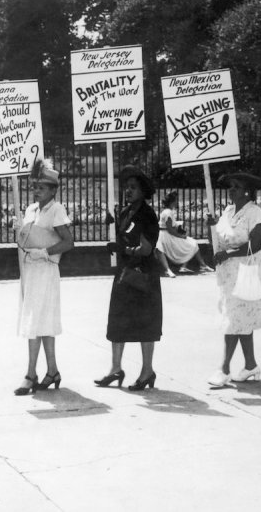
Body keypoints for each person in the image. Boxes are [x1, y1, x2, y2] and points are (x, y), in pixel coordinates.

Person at [96, 165, 162, 391]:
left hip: (142, 276)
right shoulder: (124, 212)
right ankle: (115, 368)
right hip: (124, 274)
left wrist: (125, 250)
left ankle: (147, 371)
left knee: (145, 323)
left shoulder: (147, 214)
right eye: (126, 187)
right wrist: (113, 233)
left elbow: (145, 249)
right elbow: (124, 240)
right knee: (118, 320)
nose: (128, 190)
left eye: (133, 187)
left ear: (144, 190)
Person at [13, 160, 74, 395]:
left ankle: (30, 374)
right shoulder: (31, 209)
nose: (36, 191)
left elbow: (68, 242)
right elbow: (26, 239)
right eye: (35, 186)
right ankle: (52, 371)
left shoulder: (56, 210)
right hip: (30, 270)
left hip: (46, 269)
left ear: (52, 190)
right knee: (41, 321)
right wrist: (19, 230)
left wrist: (45, 252)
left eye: (41, 187)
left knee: (35, 321)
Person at [206, 172, 261, 387]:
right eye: (230, 186)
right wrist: (211, 227)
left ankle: (223, 368)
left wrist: (229, 254)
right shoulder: (228, 211)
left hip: (247, 270)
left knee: (234, 319)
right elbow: (218, 241)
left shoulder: (255, 213)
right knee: (240, 318)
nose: (231, 190)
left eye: (236, 186)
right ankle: (250, 365)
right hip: (228, 273)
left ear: (246, 190)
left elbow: (257, 243)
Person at [155, 190, 213, 277]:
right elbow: (170, 229)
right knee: (192, 243)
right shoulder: (168, 212)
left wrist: (178, 227)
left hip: (165, 235)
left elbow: (169, 226)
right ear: (173, 201)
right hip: (167, 237)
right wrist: (181, 236)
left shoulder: (167, 211)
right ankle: (200, 265)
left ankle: (194, 266)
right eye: (176, 200)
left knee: (192, 242)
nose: (177, 202)